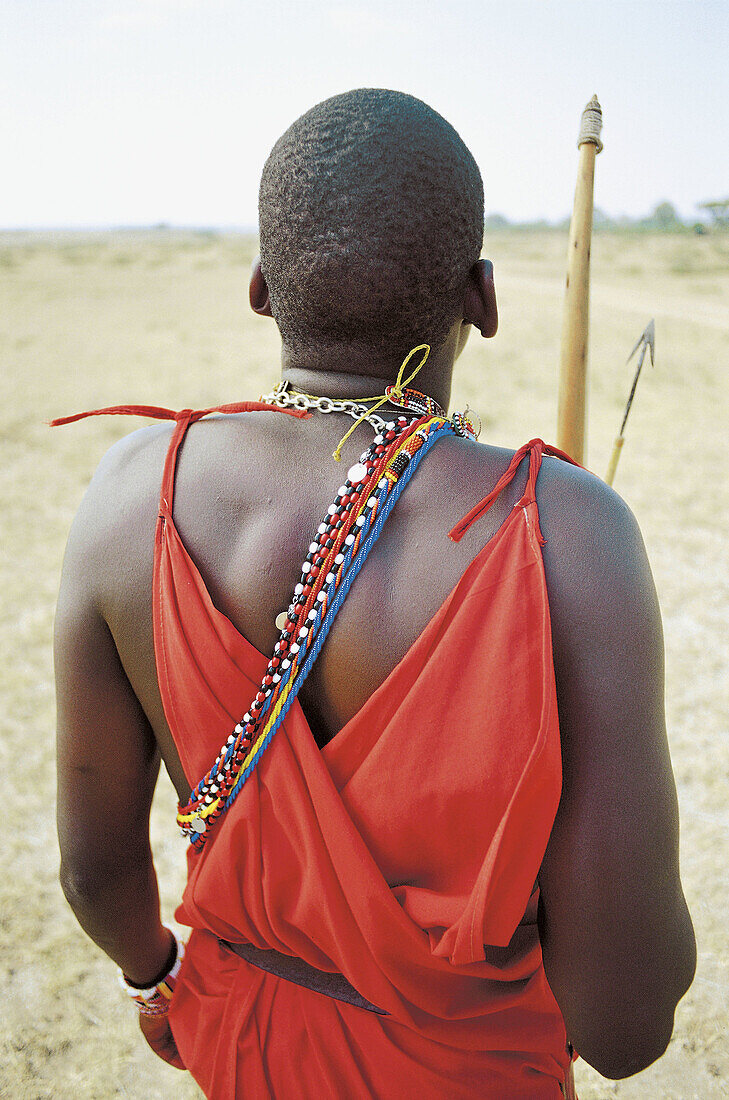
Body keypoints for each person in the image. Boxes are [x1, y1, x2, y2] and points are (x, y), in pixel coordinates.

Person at [54, 88, 695, 1099]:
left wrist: (159, 981)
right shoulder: (571, 534)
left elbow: (97, 872)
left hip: (242, 1043)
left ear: (262, 289)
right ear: (481, 298)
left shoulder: (135, 492)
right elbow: (625, 1023)